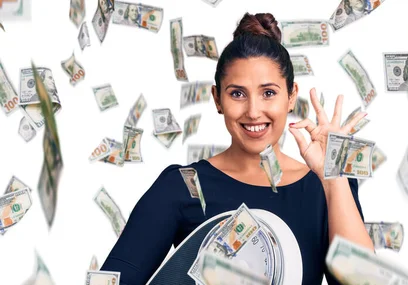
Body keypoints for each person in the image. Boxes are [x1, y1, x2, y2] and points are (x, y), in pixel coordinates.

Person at [100, 12, 372, 285]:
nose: (253, 112)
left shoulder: (324, 187)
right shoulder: (181, 186)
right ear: (217, 99)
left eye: (268, 93)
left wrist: (333, 181)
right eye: (237, 94)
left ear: (291, 97)